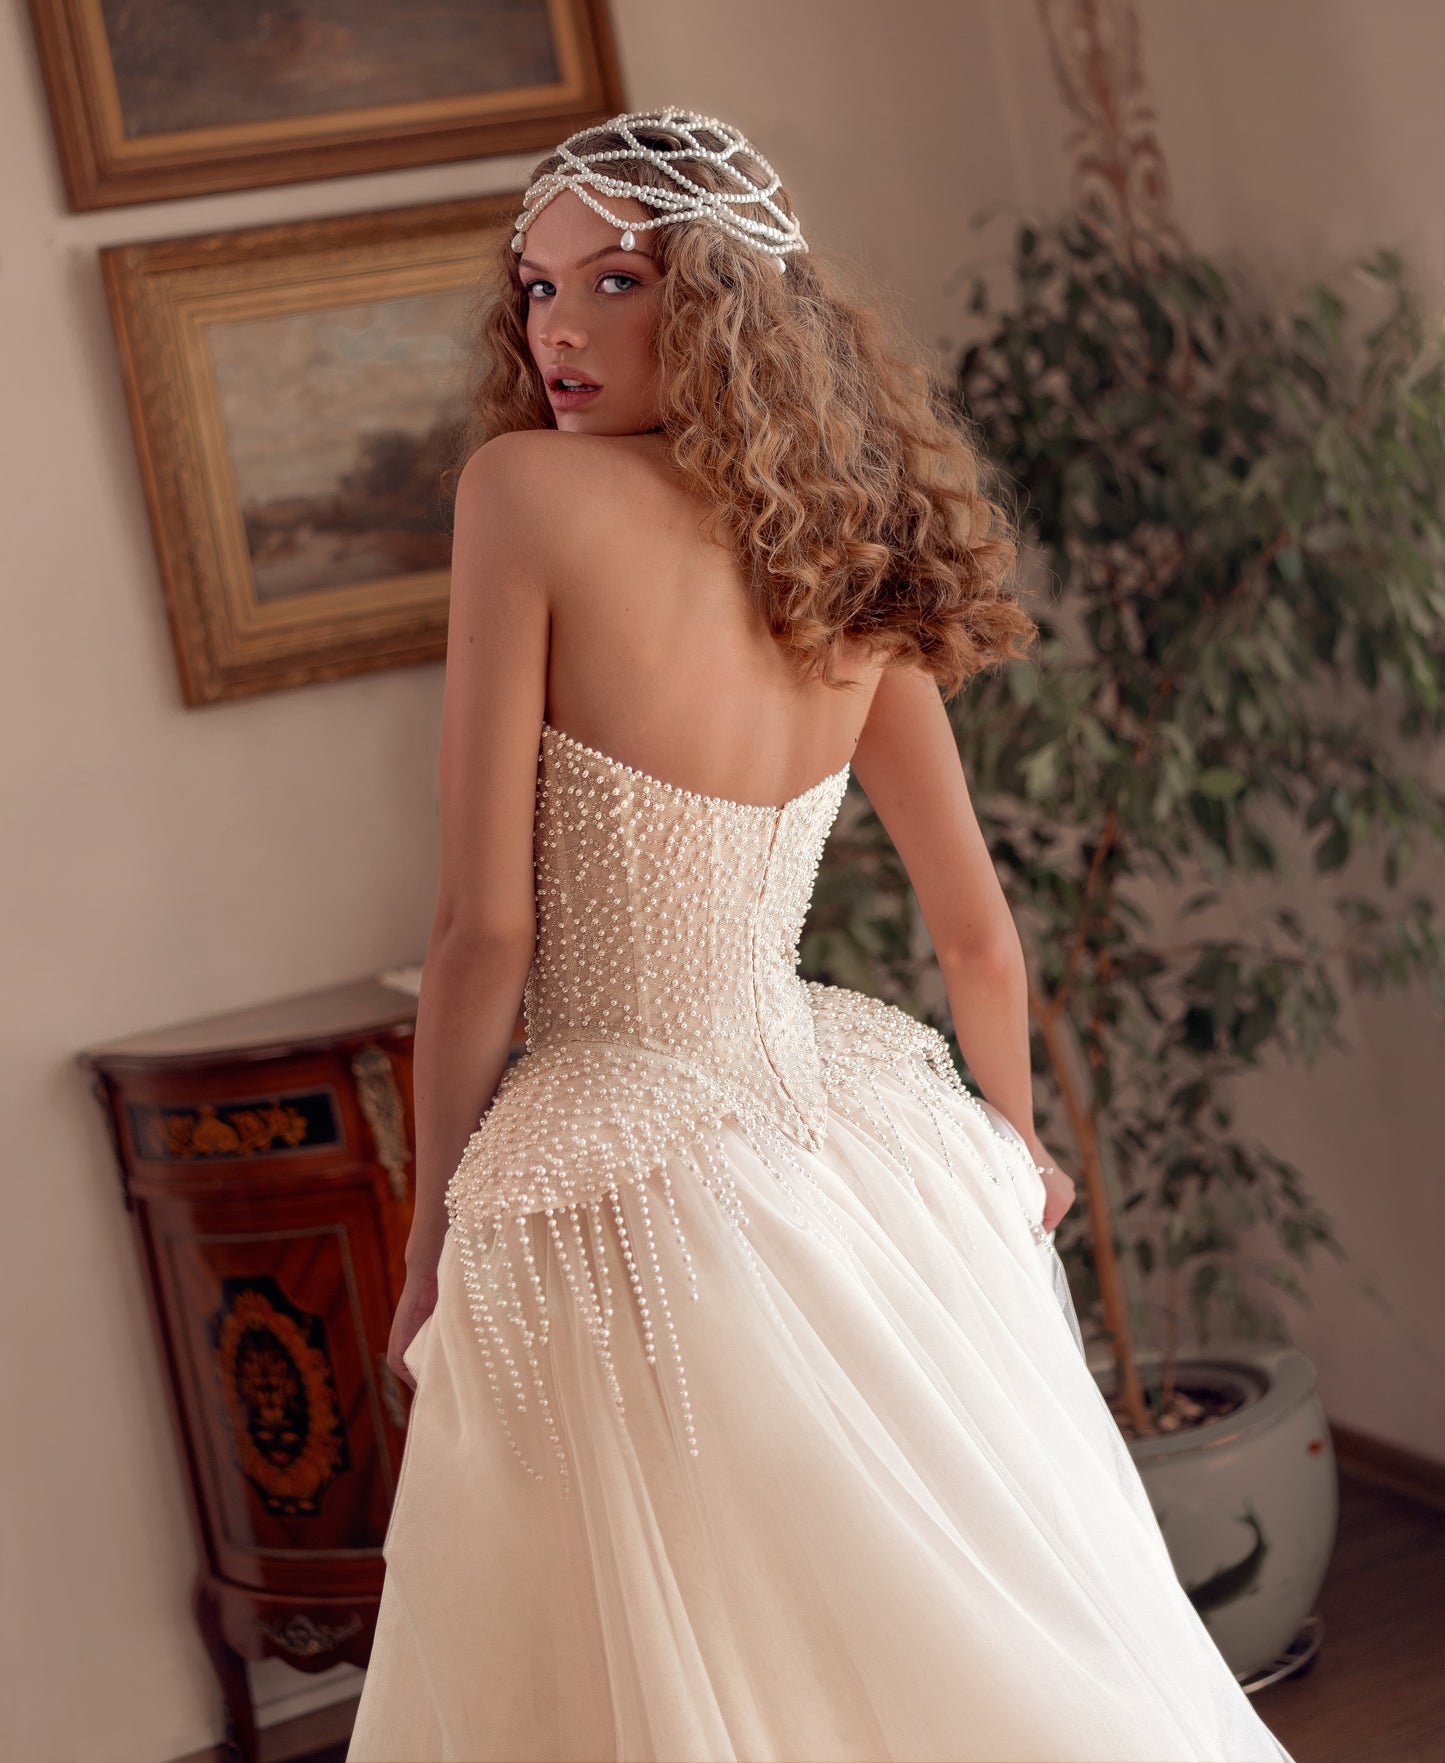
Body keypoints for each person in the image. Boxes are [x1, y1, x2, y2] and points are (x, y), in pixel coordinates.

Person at [348, 108, 1295, 1763]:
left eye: (614, 279)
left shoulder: (525, 493)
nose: (557, 329)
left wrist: (431, 1235)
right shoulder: (847, 542)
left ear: (713, 296)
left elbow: (481, 934)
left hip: (621, 1181)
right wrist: (1008, 1153)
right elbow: (976, 935)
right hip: (863, 1166)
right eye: (535, 288)